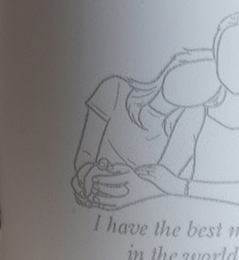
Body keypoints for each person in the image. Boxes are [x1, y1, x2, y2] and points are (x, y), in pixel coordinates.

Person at [137, 11, 239, 208]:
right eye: (228, 54)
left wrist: (182, 187)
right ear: (216, 59)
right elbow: (159, 179)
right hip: (191, 226)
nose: (237, 64)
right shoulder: (195, 114)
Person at [72, 48, 219, 207]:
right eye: (190, 72)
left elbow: (159, 182)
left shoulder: (184, 128)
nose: (189, 86)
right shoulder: (114, 89)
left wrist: (128, 186)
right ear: (175, 65)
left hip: (135, 209)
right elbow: (85, 155)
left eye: (202, 88)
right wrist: (87, 172)